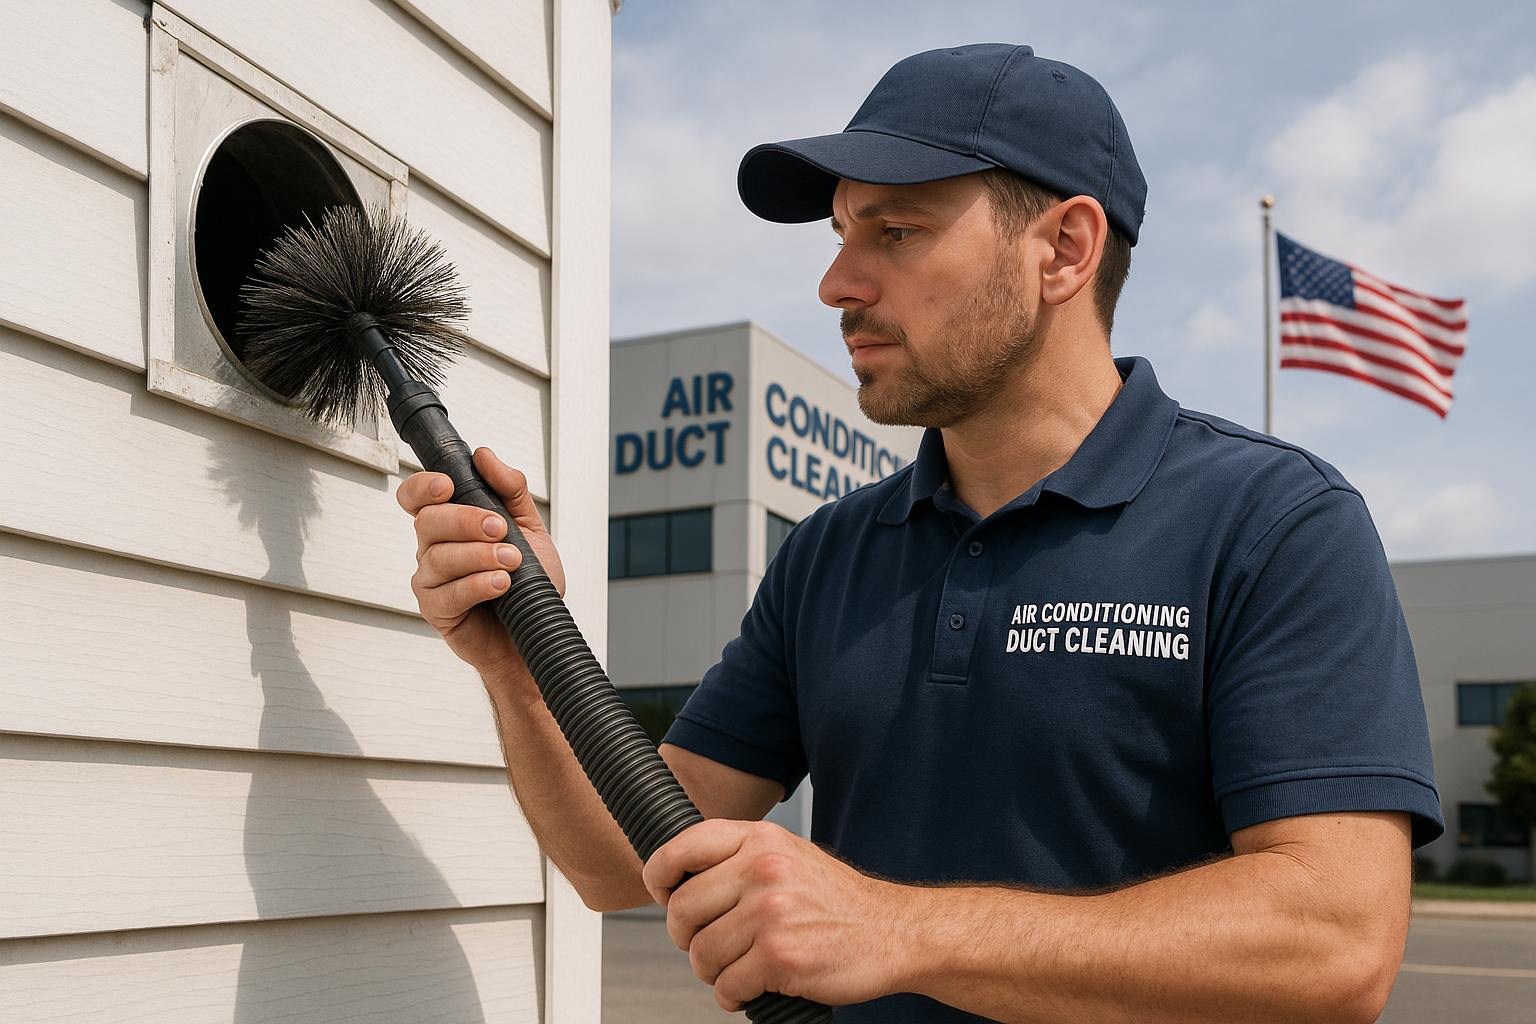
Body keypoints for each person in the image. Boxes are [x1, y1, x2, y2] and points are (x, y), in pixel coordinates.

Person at [396, 43, 1443, 1024]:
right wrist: (520, 670)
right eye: (842, 235)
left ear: (1065, 249)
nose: (837, 284)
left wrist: (900, 928)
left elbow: (1337, 941)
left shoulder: (1274, 523)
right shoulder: (830, 554)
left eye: (894, 233)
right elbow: (617, 863)